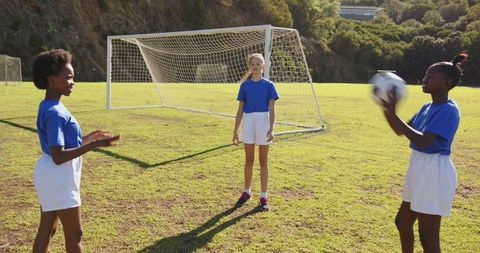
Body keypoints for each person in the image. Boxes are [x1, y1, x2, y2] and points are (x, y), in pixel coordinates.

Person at [32, 49, 120, 253]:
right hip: (59, 175)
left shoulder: (48, 105)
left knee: (47, 228)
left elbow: (60, 143)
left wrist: (89, 138)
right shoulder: (55, 112)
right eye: (68, 77)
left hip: (49, 172)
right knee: (75, 233)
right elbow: (59, 156)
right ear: (52, 79)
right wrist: (93, 145)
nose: (73, 82)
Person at [381, 53, 468, 253]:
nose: (425, 79)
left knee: (428, 237)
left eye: (431, 76)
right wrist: (388, 110)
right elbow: (399, 130)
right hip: (418, 167)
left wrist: (393, 114)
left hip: (434, 171)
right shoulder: (427, 106)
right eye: (426, 74)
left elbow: (423, 140)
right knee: (403, 221)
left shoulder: (449, 110)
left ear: (446, 83)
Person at [233, 53, 279, 211]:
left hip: (263, 122)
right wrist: (235, 131)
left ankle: (264, 196)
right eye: (252, 63)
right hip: (249, 122)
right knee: (249, 160)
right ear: (249, 66)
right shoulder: (244, 86)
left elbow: (272, 109)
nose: (255, 66)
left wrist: (272, 128)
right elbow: (239, 111)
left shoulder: (269, 85)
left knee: (263, 161)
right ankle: (246, 192)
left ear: (263, 66)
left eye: (258, 63)